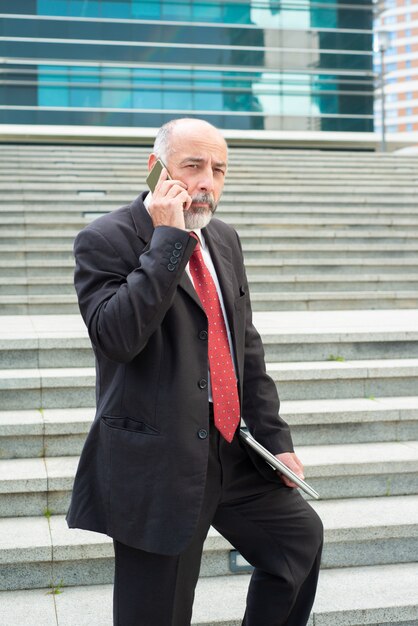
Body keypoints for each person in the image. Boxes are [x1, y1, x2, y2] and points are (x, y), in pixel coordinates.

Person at [66, 117, 323, 626]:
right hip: (158, 460)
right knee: (155, 613)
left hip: (233, 449)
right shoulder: (104, 239)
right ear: (156, 169)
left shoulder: (224, 238)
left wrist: (276, 439)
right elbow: (117, 338)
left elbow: (243, 344)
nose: (208, 182)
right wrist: (168, 238)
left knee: (298, 545)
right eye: (194, 166)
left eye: (219, 170)